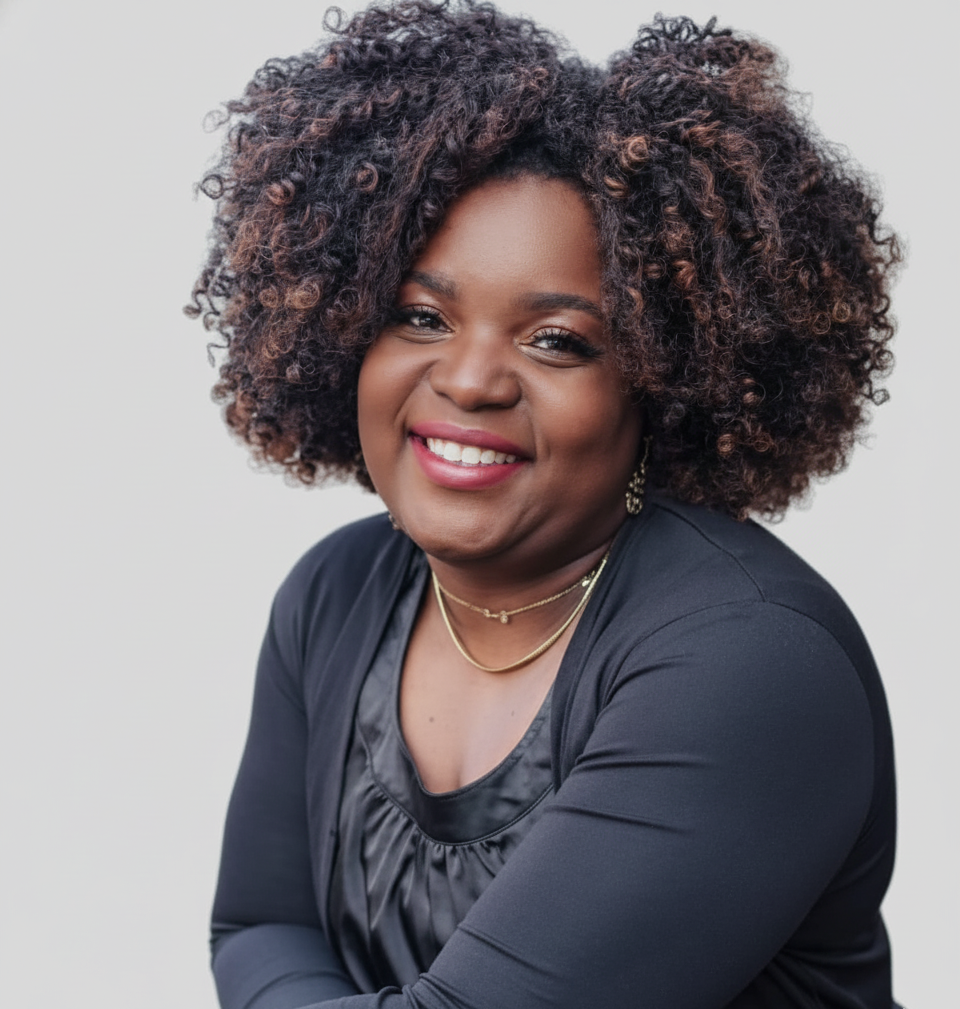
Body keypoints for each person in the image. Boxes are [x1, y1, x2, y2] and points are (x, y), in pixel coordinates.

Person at [187, 2, 901, 1006]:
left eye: (556, 339)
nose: (471, 379)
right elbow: (263, 925)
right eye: (421, 316)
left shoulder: (749, 662)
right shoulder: (338, 593)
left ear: (664, 376)